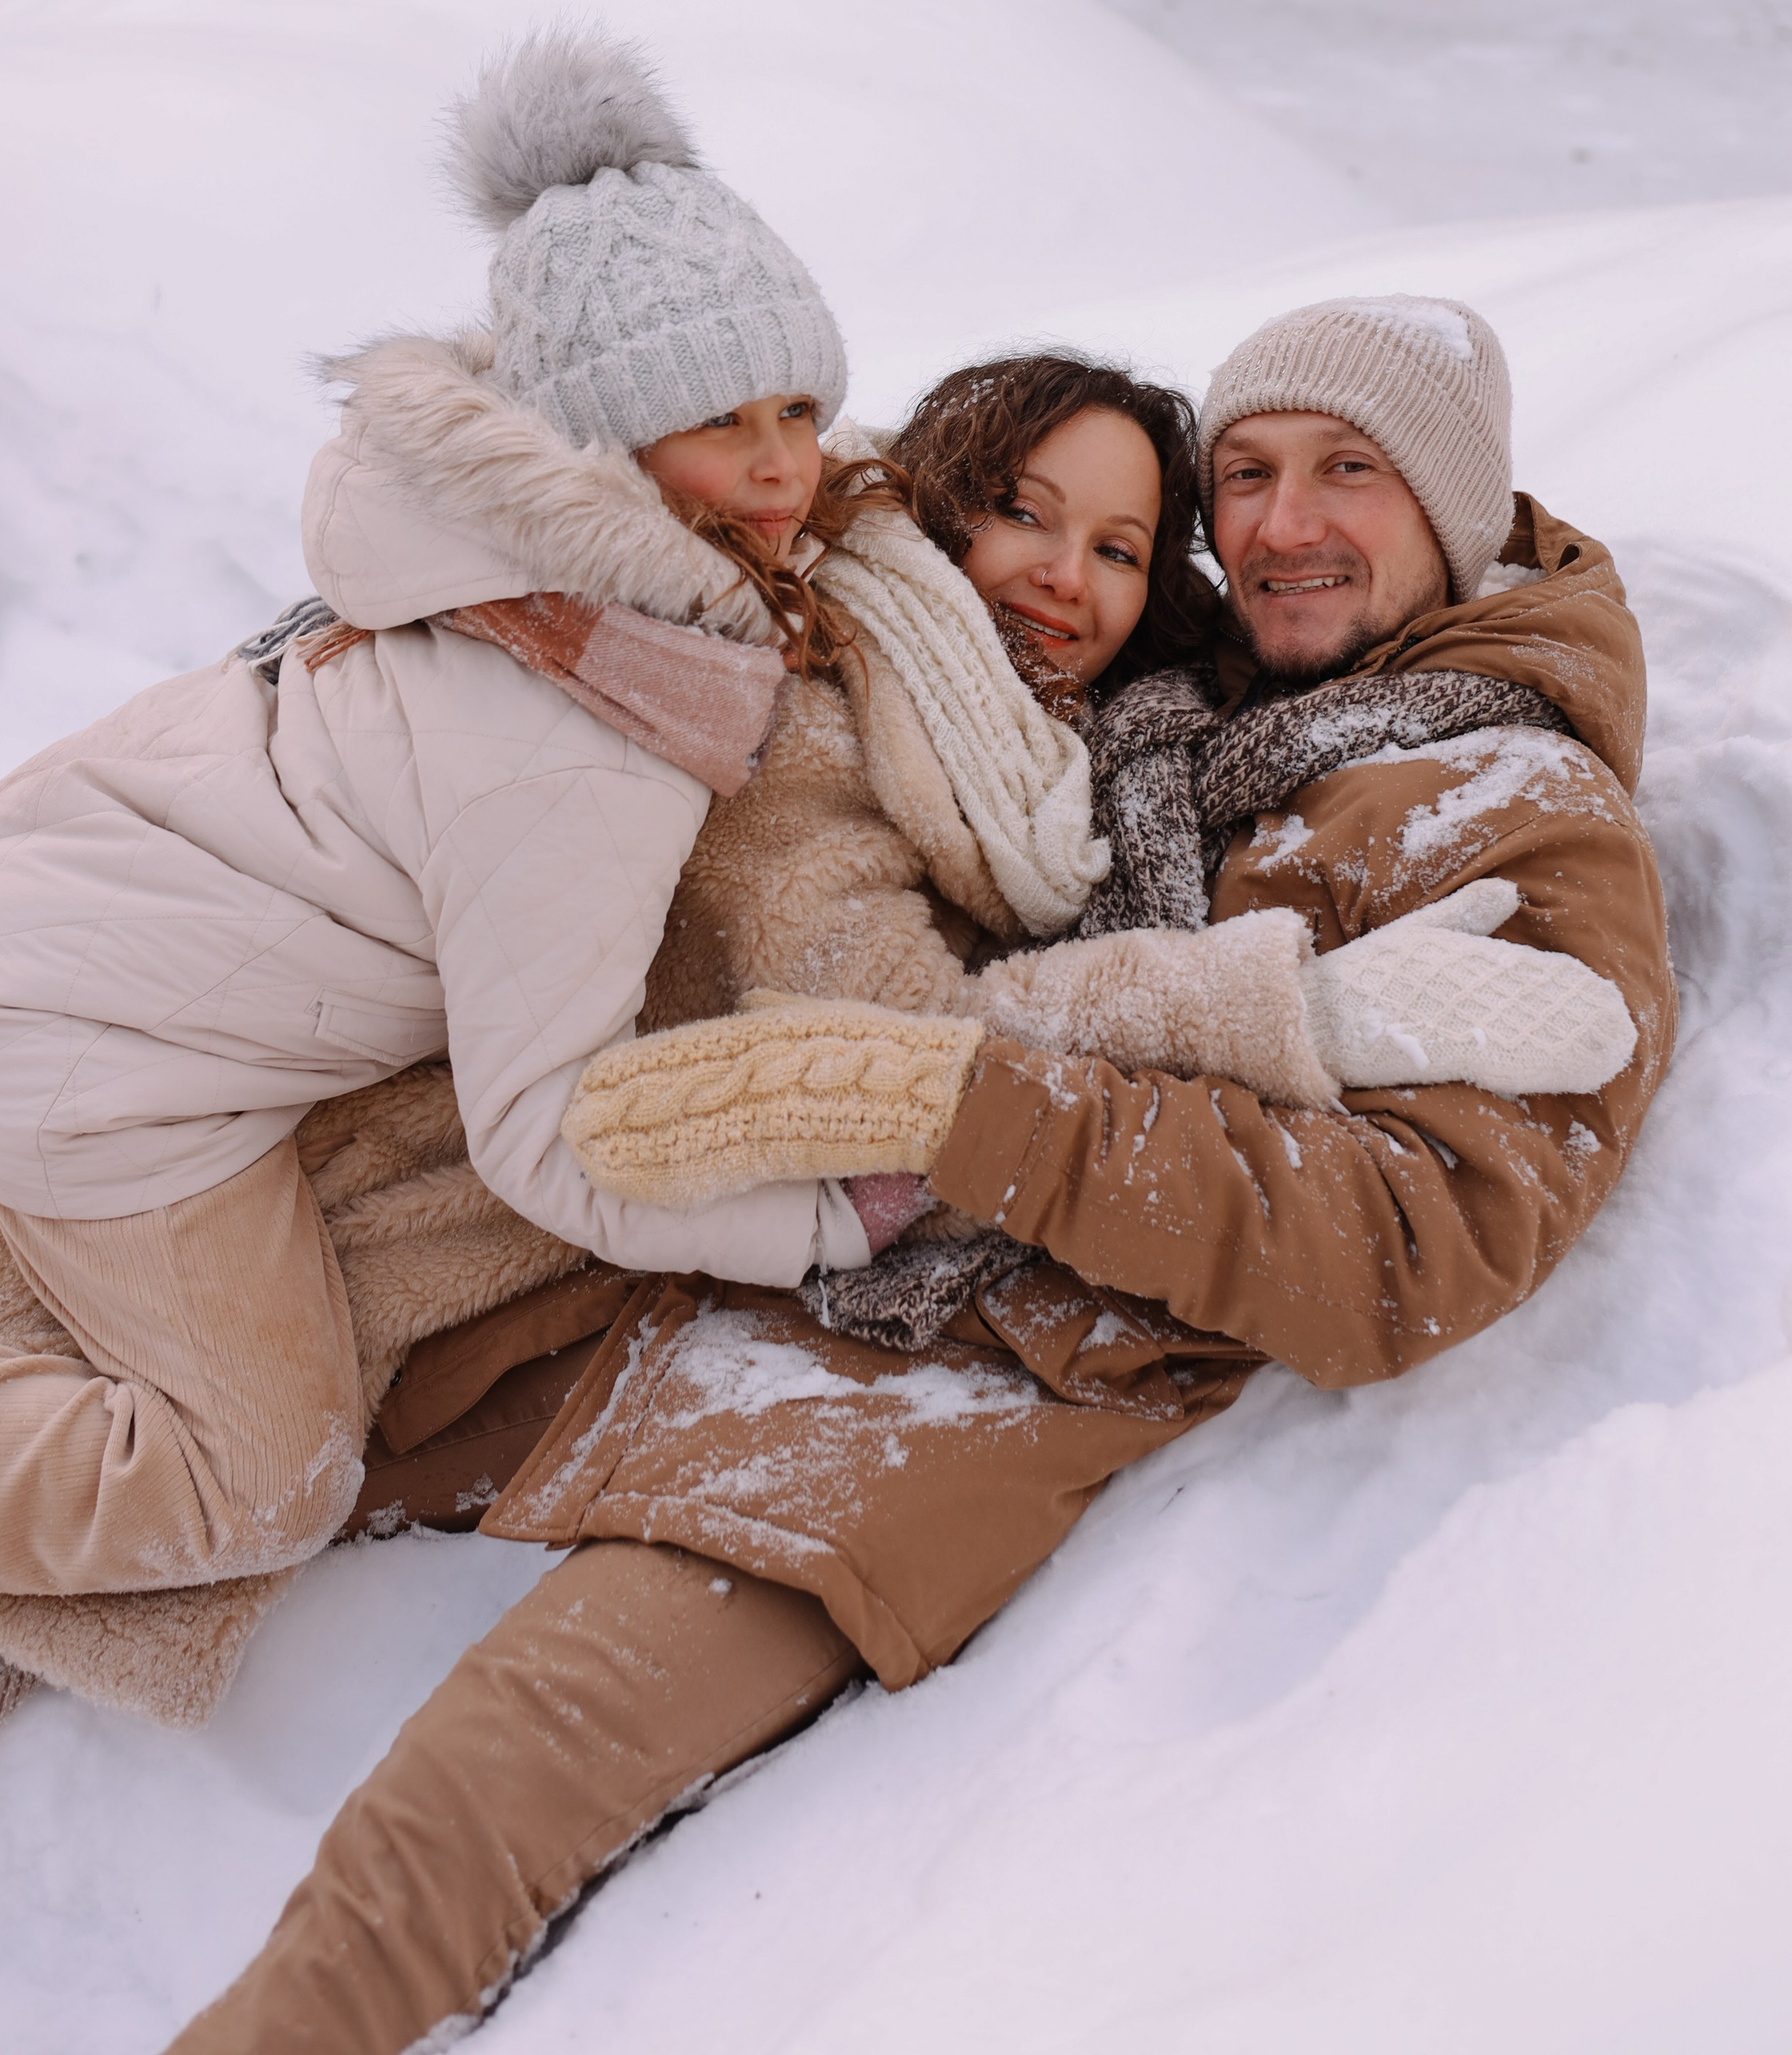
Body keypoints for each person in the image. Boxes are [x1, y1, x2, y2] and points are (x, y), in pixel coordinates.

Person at [166, 292, 1671, 2055]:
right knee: (213, 1416)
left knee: (494, 1781)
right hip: (785, 1230)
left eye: (1348, 472)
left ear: (1456, 510)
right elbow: (929, 544)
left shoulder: (1511, 807)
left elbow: (1406, 1242)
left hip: (978, 1364)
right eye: (1244, 473)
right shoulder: (1182, 694)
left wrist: (972, 1107)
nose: (1276, 523)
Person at [0, 31, 878, 1601]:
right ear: (597, 446)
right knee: (254, 1483)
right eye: (716, 424)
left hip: (72, 909)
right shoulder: (574, 738)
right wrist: (833, 1216)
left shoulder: (524, 570)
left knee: (134, 1274)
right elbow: (553, 1140)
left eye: (796, 407)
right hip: (78, 1037)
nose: (781, 468)